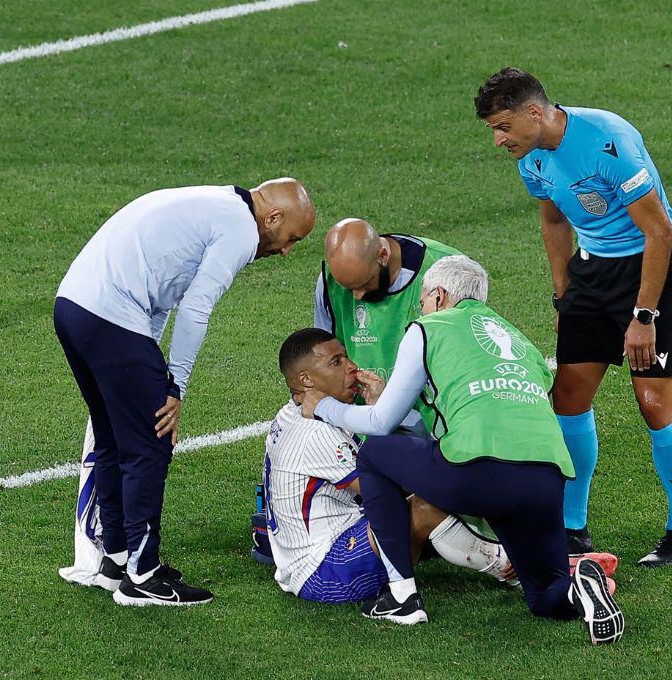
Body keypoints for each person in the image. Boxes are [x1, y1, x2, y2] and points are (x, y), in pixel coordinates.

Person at [302, 256, 624, 644]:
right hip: (546, 478)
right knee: (544, 596)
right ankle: (580, 589)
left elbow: (381, 424)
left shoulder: (428, 328)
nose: (421, 308)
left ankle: (401, 596)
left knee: (374, 455)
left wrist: (322, 406)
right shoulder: (522, 343)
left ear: (438, 296)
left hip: (479, 472)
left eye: (423, 300)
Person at [474, 67, 672, 566]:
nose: (498, 140)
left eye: (503, 126)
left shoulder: (608, 143)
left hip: (648, 267)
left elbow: (658, 232)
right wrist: (564, 294)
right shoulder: (530, 156)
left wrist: (644, 316)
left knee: (652, 399)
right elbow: (554, 217)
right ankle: (573, 527)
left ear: (535, 112)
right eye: (493, 129)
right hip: (591, 274)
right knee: (569, 398)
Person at [54, 179, 316, 606]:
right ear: (272, 218)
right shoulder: (240, 227)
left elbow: (158, 297)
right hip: (109, 312)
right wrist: (173, 382)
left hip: (73, 305)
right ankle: (143, 575)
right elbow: (196, 307)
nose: (286, 251)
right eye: (292, 239)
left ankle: (117, 559)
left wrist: (151, 366)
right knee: (151, 441)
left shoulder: (214, 202)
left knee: (113, 436)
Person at [264, 328, 518, 609]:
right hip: (324, 571)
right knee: (425, 506)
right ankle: (512, 564)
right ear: (306, 379)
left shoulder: (290, 413)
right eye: (336, 362)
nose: (352, 367)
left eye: (346, 357)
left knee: (434, 493)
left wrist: (378, 410)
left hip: (313, 551)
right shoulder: (314, 434)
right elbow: (393, 487)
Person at [314, 218, 460, 381]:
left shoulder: (447, 269)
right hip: (361, 404)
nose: (357, 296)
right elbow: (324, 353)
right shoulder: (329, 280)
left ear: (383, 256)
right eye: (348, 288)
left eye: (365, 283)